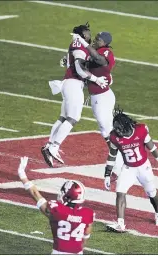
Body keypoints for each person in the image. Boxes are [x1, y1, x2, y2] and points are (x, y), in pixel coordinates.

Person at [41, 22, 108, 167]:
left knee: (63, 117)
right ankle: (54, 146)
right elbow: (78, 67)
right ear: (82, 34)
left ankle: (50, 145)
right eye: (88, 33)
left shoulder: (76, 43)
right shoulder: (79, 43)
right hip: (74, 83)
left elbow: (67, 61)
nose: (90, 35)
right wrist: (95, 79)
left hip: (69, 83)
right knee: (73, 117)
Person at [104, 107, 158, 232]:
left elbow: (153, 149)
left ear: (126, 125)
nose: (117, 131)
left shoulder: (140, 130)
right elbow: (112, 155)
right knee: (120, 191)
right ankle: (121, 223)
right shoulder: (114, 137)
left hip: (143, 167)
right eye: (115, 128)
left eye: (118, 128)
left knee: (152, 193)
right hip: (128, 168)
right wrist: (107, 174)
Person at [70, 31, 124, 174]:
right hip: (99, 96)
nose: (95, 40)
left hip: (102, 97)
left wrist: (84, 43)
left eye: (98, 39)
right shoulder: (96, 51)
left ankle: (120, 165)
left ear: (105, 42)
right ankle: (121, 161)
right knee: (107, 131)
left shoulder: (105, 52)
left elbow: (100, 60)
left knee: (108, 133)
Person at [17, 156, 95, 254]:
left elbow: (35, 194)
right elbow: (85, 237)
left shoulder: (57, 210)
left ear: (67, 196)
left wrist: (22, 174)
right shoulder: (87, 214)